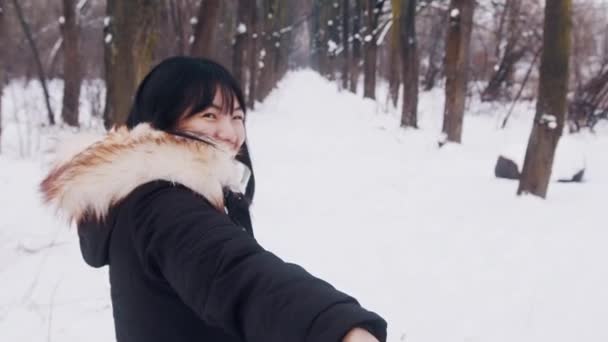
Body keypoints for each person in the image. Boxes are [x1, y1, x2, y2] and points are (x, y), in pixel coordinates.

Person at [40, 56, 387, 342]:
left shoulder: (144, 193)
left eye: (237, 116)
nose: (231, 133)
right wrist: (336, 328)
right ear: (160, 120)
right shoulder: (161, 203)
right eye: (209, 115)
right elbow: (234, 273)